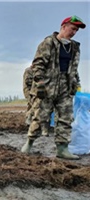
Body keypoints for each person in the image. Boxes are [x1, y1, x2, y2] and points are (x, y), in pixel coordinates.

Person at [21, 16, 85, 160]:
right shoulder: (48, 43)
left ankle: (62, 148)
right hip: (47, 86)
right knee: (40, 117)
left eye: (76, 30)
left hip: (65, 88)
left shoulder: (74, 47)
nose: (74, 32)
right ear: (63, 26)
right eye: (72, 28)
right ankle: (29, 142)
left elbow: (74, 68)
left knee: (65, 118)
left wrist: (76, 84)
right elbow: (38, 64)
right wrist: (40, 83)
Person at [23, 65, 50, 136]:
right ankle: (29, 119)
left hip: (36, 91)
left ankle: (33, 121)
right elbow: (28, 83)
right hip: (30, 91)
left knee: (37, 106)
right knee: (33, 106)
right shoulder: (29, 71)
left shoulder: (42, 72)